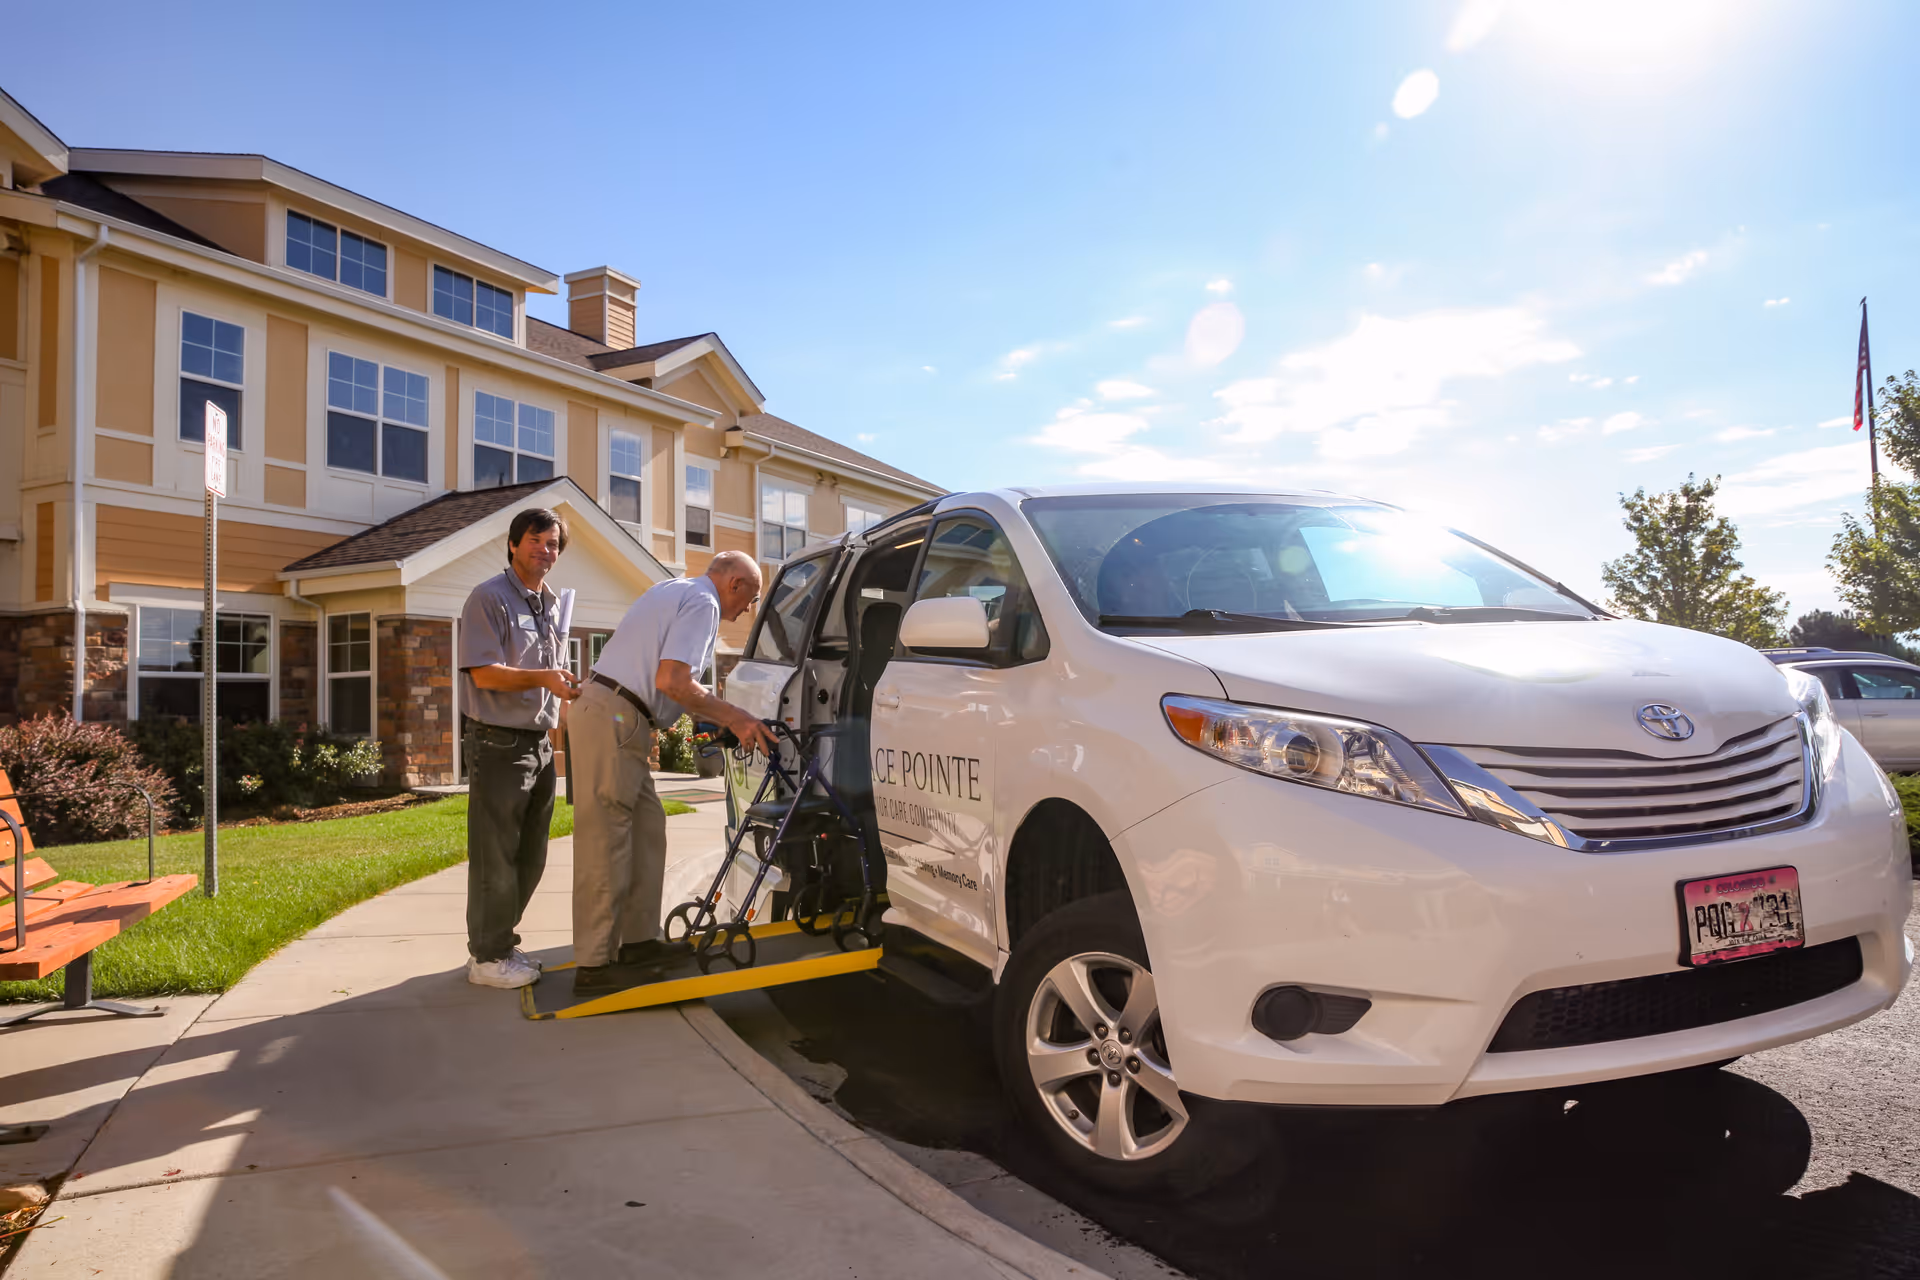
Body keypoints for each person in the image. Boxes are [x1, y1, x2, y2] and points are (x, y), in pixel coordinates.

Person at [569, 550, 776, 994]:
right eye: (751, 598)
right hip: (614, 716)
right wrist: (735, 717)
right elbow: (674, 682)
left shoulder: (674, 588)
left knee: (646, 829)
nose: (747, 611)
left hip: (617, 715)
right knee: (606, 842)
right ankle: (594, 967)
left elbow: (664, 681)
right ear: (734, 584)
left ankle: (639, 943)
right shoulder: (704, 603)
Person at [457, 508, 581, 989]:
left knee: (530, 855)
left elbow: (549, 677)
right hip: (498, 743)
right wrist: (544, 678)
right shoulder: (488, 598)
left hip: (540, 744)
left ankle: (500, 943)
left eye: (553, 545)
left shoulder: (551, 604)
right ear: (513, 544)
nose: (545, 551)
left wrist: (569, 695)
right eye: (536, 540)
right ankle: (486, 958)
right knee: (496, 855)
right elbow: (484, 672)